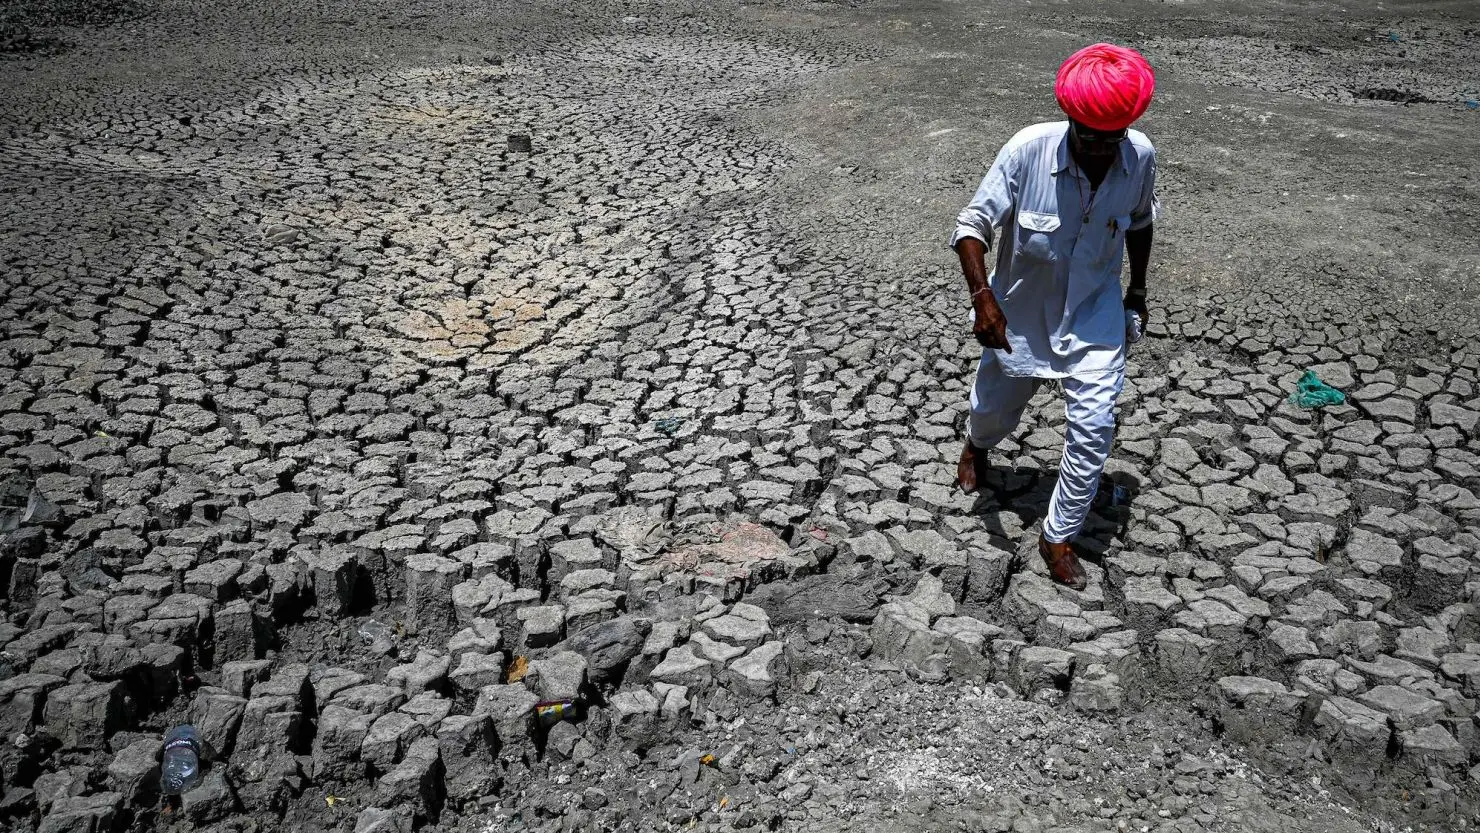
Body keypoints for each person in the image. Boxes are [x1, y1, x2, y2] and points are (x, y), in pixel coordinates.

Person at [949, 43, 1159, 590]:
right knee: (995, 412)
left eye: (1112, 139)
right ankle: (976, 445)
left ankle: (1057, 534)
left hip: (1094, 316)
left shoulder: (1138, 157)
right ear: (1070, 119)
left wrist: (1136, 291)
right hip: (1019, 313)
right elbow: (972, 226)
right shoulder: (1026, 151)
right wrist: (984, 298)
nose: (1101, 150)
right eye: (1089, 137)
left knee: (1093, 428)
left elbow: (1139, 224)